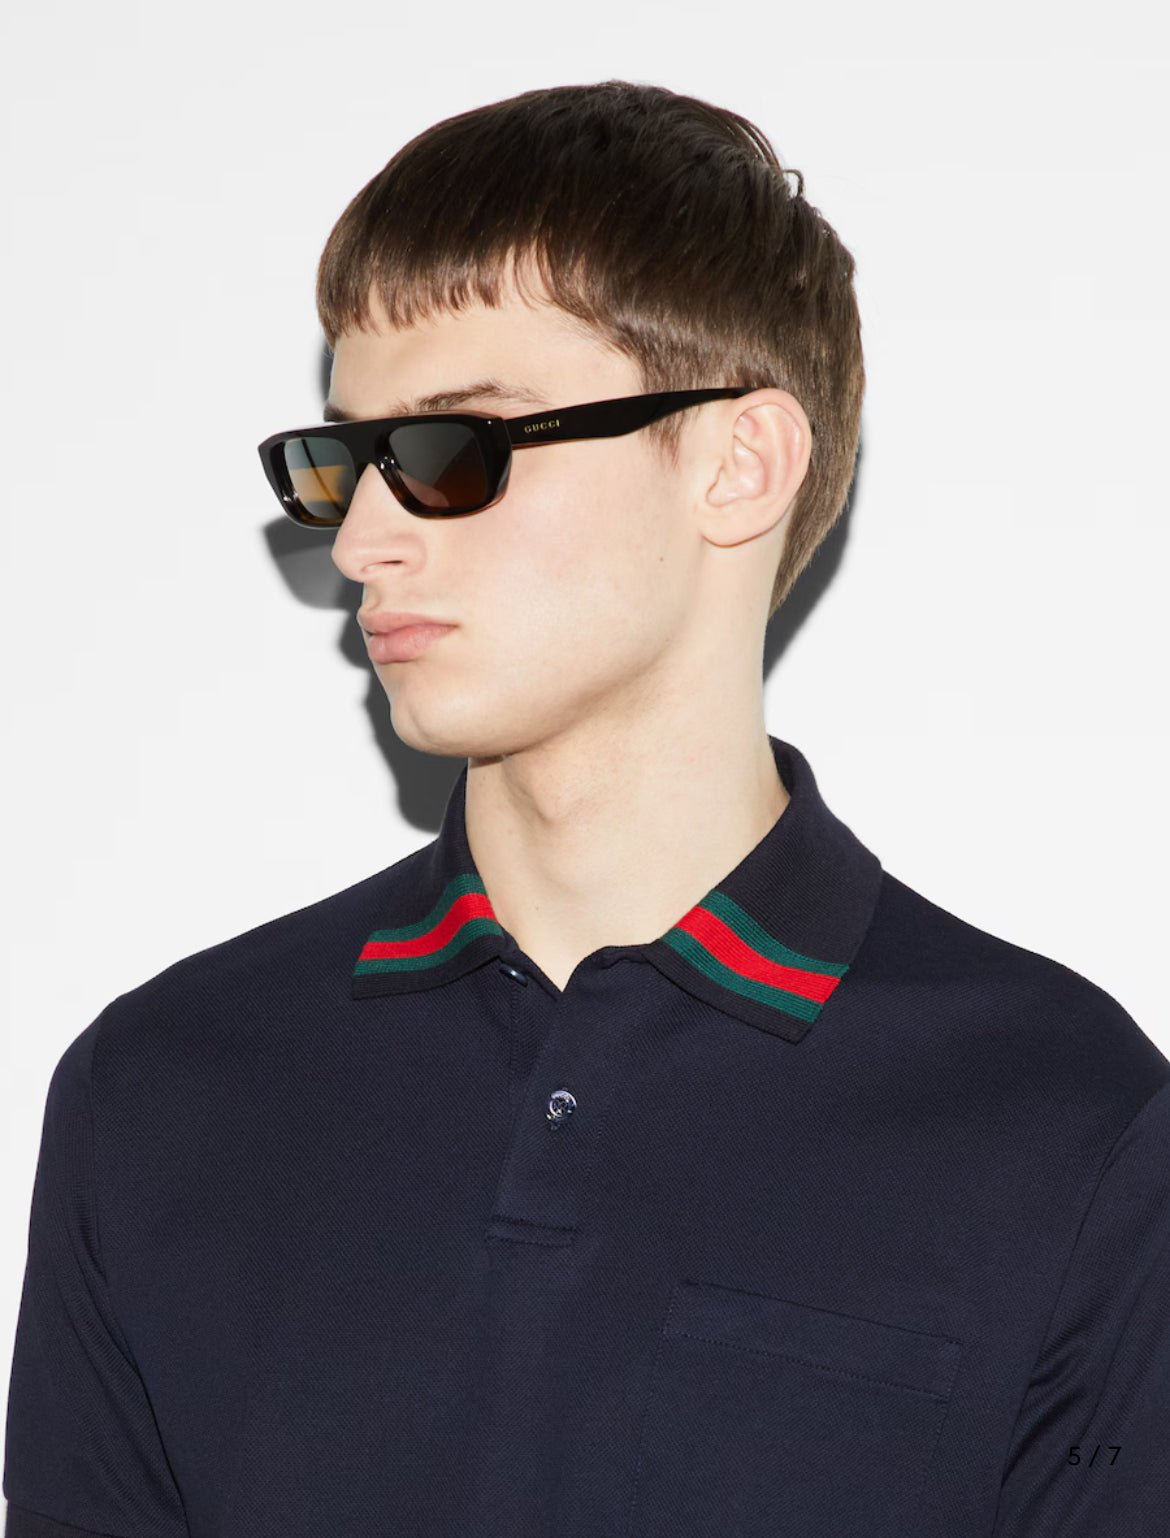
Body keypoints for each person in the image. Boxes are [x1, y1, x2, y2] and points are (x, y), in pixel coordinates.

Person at [4, 78, 1168, 1538]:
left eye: (456, 448)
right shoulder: (162, 1092)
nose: (362, 542)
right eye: (345, 461)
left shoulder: (1066, 1124)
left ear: (737, 465)